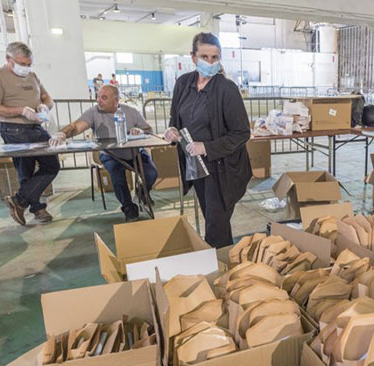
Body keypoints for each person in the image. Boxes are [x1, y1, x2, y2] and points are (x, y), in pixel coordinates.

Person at [164, 32, 251, 248]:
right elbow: (175, 119)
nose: (210, 62)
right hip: (195, 166)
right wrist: (171, 131)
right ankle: (223, 262)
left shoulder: (226, 89)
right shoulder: (183, 84)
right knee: (213, 219)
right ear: (193, 57)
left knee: (216, 225)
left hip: (222, 168)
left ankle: (221, 270)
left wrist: (206, 147)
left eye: (215, 57)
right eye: (204, 57)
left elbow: (241, 133)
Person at [50, 85, 158, 222]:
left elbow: (149, 129)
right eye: (98, 97)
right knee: (118, 177)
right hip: (110, 154)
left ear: (116, 100)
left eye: (104, 97)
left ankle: (142, 192)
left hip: (134, 152)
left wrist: (141, 131)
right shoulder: (93, 112)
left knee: (151, 173)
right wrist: (62, 134)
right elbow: (76, 126)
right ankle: (128, 207)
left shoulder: (131, 111)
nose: (99, 101)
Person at [0, 41, 60, 226]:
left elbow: (46, 97)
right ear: (8, 59)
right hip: (14, 128)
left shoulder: (33, 76)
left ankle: (19, 201)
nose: (25, 68)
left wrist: (44, 106)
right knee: (25, 169)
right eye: (22, 64)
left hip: (36, 127)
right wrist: (21, 111)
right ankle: (38, 208)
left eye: (28, 64)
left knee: (52, 165)